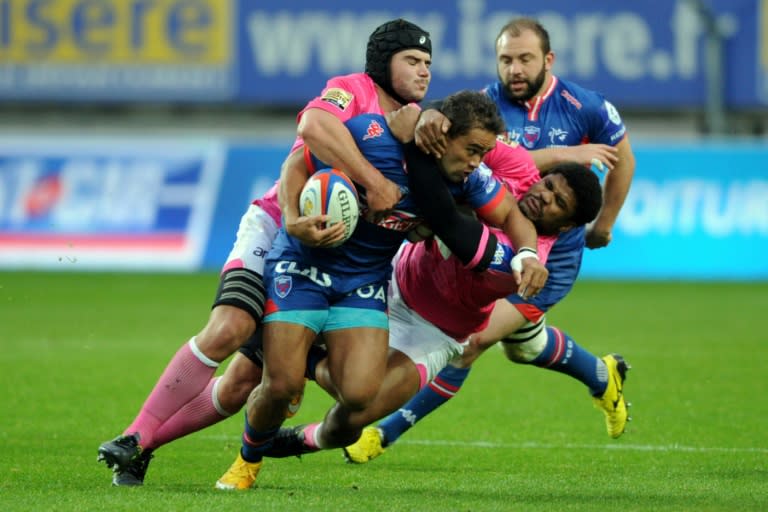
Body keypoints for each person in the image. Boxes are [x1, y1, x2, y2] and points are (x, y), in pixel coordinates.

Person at [96, 17, 435, 486]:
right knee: (231, 327)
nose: (423, 72)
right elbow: (313, 128)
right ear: (384, 62)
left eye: (428, 63)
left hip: (338, 266)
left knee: (239, 386)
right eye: (412, 61)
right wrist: (359, 188)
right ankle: (135, 436)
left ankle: (142, 447)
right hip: (278, 228)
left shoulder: (419, 128)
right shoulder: (350, 90)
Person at [214, 90, 548, 491]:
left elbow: (509, 213)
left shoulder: (470, 182)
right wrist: (291, 217)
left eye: (484, 153)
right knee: (281, 386)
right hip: (305, 264)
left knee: (357, 395)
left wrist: (527, 254)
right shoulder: (370, 135)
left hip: (365, 281)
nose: (477, 162)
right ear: (443, 135)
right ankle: (247, 461)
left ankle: (291, 353)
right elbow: (297, 161)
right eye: (472, 149)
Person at [344, 16, 637, 463]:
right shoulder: (485, 105)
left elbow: (624, 159)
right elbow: (488, 149)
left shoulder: (585, 106)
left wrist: (605, 223)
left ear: (547, 60)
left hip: (549, 254)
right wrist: (559, 154)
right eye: (506, 60)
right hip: (497, 237)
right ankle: (602, 375)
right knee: (525, 347)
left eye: (524, 59)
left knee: (472, 341)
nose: (514, 69)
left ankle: (384, 433)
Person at [258, 148, 603, 469]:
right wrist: (429, 125)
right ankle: (277, 359)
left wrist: (425, 168)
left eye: (558, 202)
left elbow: (449, 220)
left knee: (353, 417)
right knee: (337, 380)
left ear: (566, 226)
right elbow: (462, 139)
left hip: (435, 333)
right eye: (548, 185)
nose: (544, 196)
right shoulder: (518, 169)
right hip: (388, 283)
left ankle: (303, 430)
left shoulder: (522, 263)